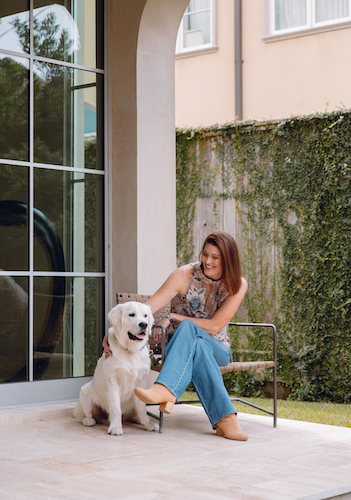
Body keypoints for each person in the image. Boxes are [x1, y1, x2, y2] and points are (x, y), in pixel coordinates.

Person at [103, 231, 248, 441]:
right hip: (179, 351)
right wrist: (112, 333)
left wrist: (173, 317)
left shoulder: (238, 284)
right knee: (194, 343)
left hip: (219, 349)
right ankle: (226, 420)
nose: (207, 261)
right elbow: (147, 308)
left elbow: (215, 326)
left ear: (228, 259)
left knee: (190, 331)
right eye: (205, 254)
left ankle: (165, 389)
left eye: (215, 257)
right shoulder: (184, 275)